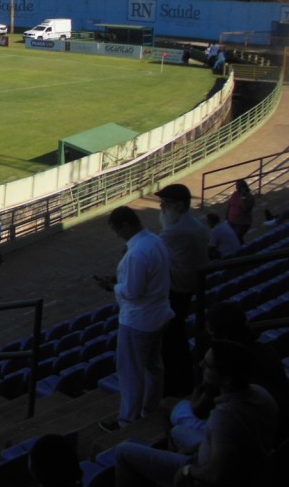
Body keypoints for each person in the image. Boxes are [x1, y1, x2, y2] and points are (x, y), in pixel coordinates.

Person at [115, 340, 278, 487]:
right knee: (176, 431)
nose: (201, 365)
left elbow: (215, 475)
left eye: (208, 365)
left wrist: (188, 470)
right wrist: (198, 448)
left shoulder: (224, 418)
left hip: (202, 473)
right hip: (246, 466)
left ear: (227, 379)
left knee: (123, 451)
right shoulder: (260, 393)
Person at [167, 300, 289, 452]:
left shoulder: (225, 361)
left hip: (250, 438)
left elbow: (199, 410)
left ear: (221, 334)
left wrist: (198, 390)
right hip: (275, 429)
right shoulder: (267, 351)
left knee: (173, 409)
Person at [94, 205, 173, 431]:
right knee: (153, 366)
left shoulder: (137, 252)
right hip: (158, 314)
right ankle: (149, 408)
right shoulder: (155, 241)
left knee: (130, 372)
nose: (118, 235)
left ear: (126, 226)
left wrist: (113, 286)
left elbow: (132, 291)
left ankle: (127, 420)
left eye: (118, 230)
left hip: (138, 320)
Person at [156, 183, 210, 397]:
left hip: (176, 291)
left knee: (171, 341)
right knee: (176, 338)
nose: (161, 208)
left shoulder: (176, 232)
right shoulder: (198, 226)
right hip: (189, 288)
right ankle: (181, 383)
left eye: (165, 204)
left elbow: (154, 256)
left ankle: (174, 388)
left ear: (178, 206)